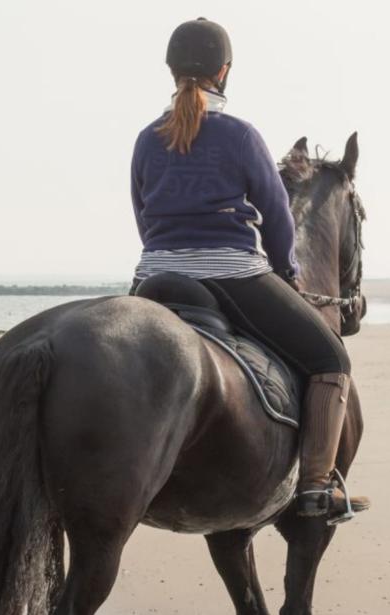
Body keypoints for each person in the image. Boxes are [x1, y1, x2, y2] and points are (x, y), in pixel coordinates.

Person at [129, 18, 369, 520]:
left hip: (153, 277)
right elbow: (278, 217)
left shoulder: (147, 139)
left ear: (171, 70)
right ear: (224, 71)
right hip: (233, 276)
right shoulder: (239, 134)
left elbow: (143, 214)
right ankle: (316, 489)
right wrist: (286, 271)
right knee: (331, 362)